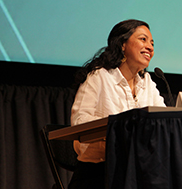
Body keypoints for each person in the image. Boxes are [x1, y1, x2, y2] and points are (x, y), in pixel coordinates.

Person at [68, 19, 166, 189]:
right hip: (98, 174)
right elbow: (79, 121)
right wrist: (116, 132)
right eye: (143, 39)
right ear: (122, 44)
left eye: (152, 43)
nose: (150, 47)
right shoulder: (100, 77)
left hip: (137, 171)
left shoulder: (148, 83)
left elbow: (163, 121)